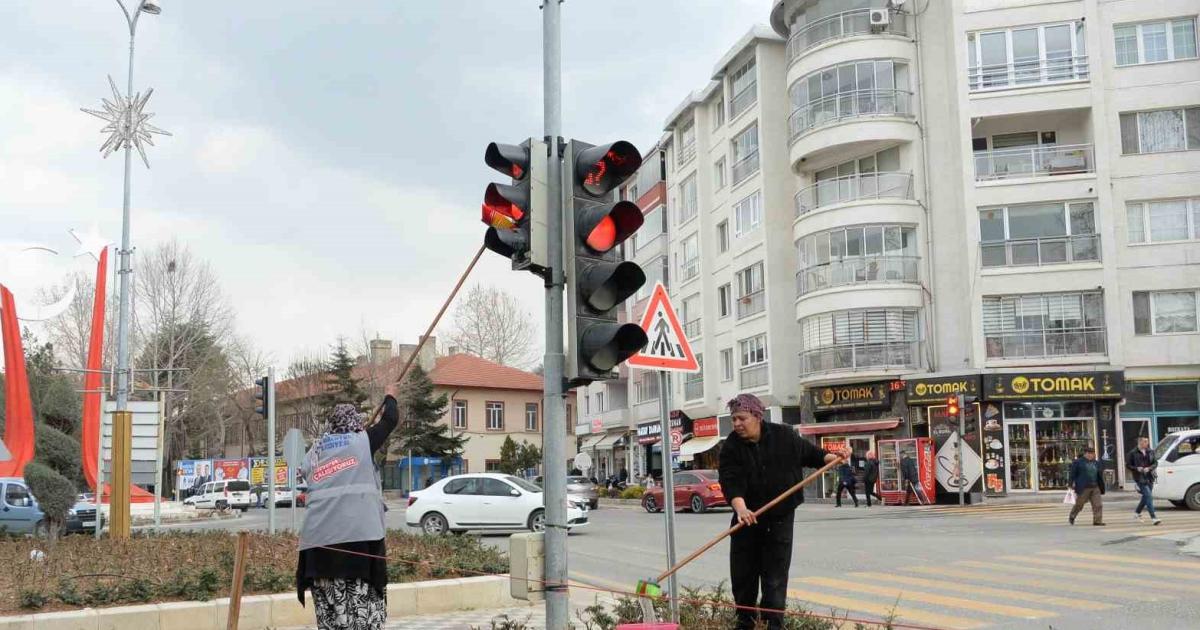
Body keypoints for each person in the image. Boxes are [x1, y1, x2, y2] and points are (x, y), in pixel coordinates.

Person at [719, 394, 842, 630]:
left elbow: (813, 455)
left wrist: (833, 458)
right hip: (746, 522)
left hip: (779, 520)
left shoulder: (784, 436)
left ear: (757, 416)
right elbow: (730, 480)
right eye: (733, 419)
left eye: (741, 418)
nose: (736, 424)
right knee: (743, 580)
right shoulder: (731, 446)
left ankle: (774, 625)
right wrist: (741, 508)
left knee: (774, 581)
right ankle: (744, 624)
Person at [296, 385, 399, 630]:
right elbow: (390, 420)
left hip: (316, 548)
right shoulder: (363, 441)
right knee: (360, 616)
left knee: (329, 617)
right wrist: (391, 395)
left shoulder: (315, 451)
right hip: (357, 546)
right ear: (356, 423)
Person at [1127, 436, 1161, 525]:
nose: (1147, 443)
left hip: (1150, 476)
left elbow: (1155, 463)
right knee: (1149, 496)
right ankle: (1154, 518)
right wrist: (1136, 468)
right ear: (1140, 443)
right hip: (1140, 478)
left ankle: (1137, 513)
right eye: (1145, 442)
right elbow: (1128, 465)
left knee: (1146, 497)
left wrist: (1149, 468)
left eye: (1147, 441)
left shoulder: (1150, 451)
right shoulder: (1132, 453)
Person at [1068, 446, 1106, 526]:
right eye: (1088, 453)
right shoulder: (1078, 462)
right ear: (1085, 454)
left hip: (1095, 486)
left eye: (1092, 454)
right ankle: (1072, 515)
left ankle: (1097, 521)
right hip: (1084, 487)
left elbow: (1099, 474)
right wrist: (1070, 484)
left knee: (1098, 504)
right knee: (1079, 504)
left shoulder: (1096, 463)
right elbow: (1072, 474)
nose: (1090, 455)